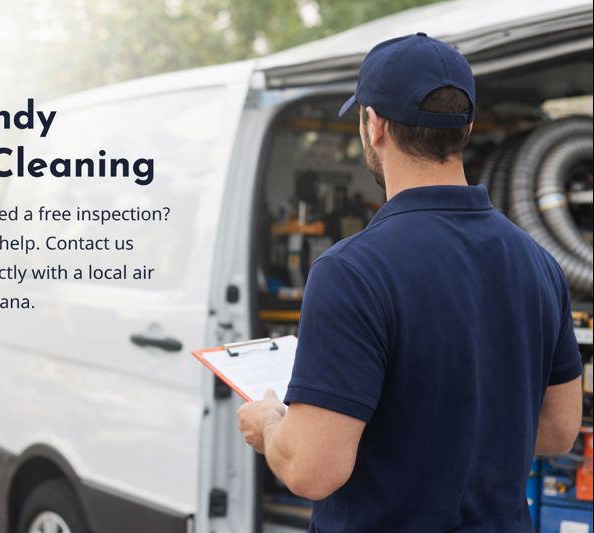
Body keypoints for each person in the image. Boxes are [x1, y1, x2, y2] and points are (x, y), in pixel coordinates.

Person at [236, 33, 583, 532]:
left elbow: (313, 470)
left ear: (374, 126)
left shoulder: (351, 272)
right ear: (465, 127)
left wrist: (269, 425)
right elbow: (556, 430)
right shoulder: (538, 263)